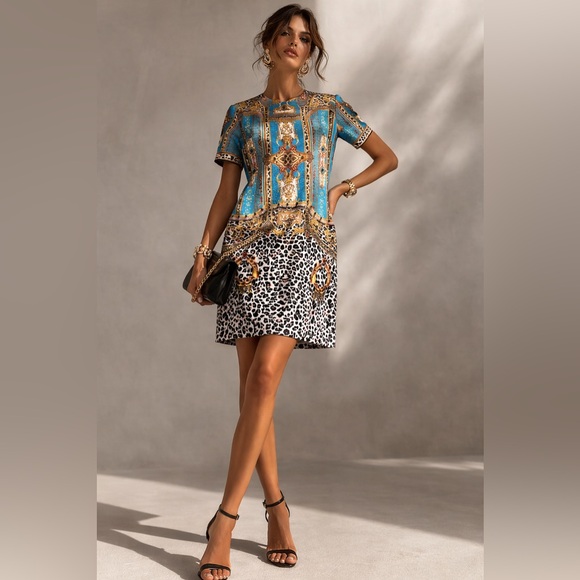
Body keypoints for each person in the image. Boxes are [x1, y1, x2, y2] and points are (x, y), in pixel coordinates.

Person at [186, 4, 398, 579]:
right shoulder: (241, 115)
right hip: (248, 254)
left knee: (263, 380)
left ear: (312, 52)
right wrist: (202, 254)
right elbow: (226, 192)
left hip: (306, 253)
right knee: (255, 392)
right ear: (269, 42)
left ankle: (223, 522)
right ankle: (277, 508)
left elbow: (387, 157)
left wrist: (342, 188)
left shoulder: (330, 110)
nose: (295, 43)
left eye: (305, 38)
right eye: (286, 33)